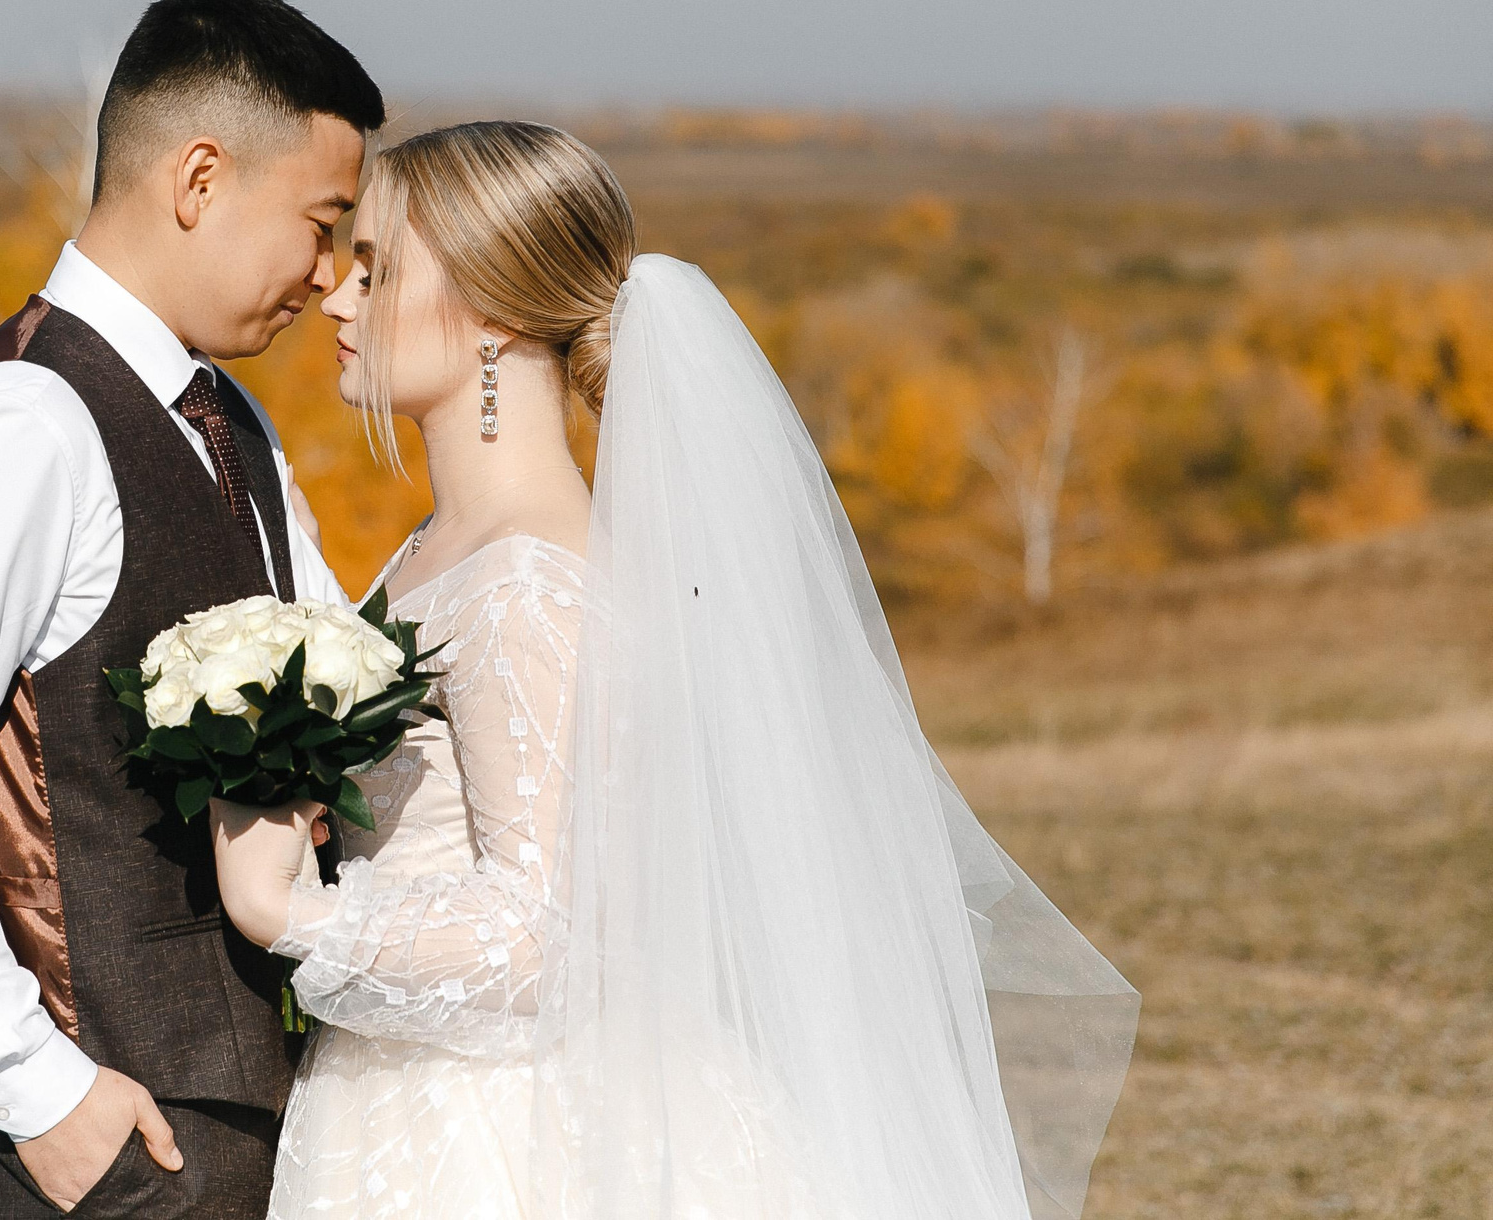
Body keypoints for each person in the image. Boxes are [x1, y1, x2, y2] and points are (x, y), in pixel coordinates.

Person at [210, 121, 1138, 1220]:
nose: (337, 298)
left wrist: (283, 911)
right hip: (423, 1089)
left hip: (499, 1130)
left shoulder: (521, 584)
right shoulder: (442, 548)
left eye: (377, 269)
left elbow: (541, 940)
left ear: (495, 314)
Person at [0, 0, 384, 1218]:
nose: (325, 271)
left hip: (256, 1120)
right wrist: (33, 1090)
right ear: (199, 179)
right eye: (319, 222)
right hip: (109, 1143)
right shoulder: (17, 427)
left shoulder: (229, 419)